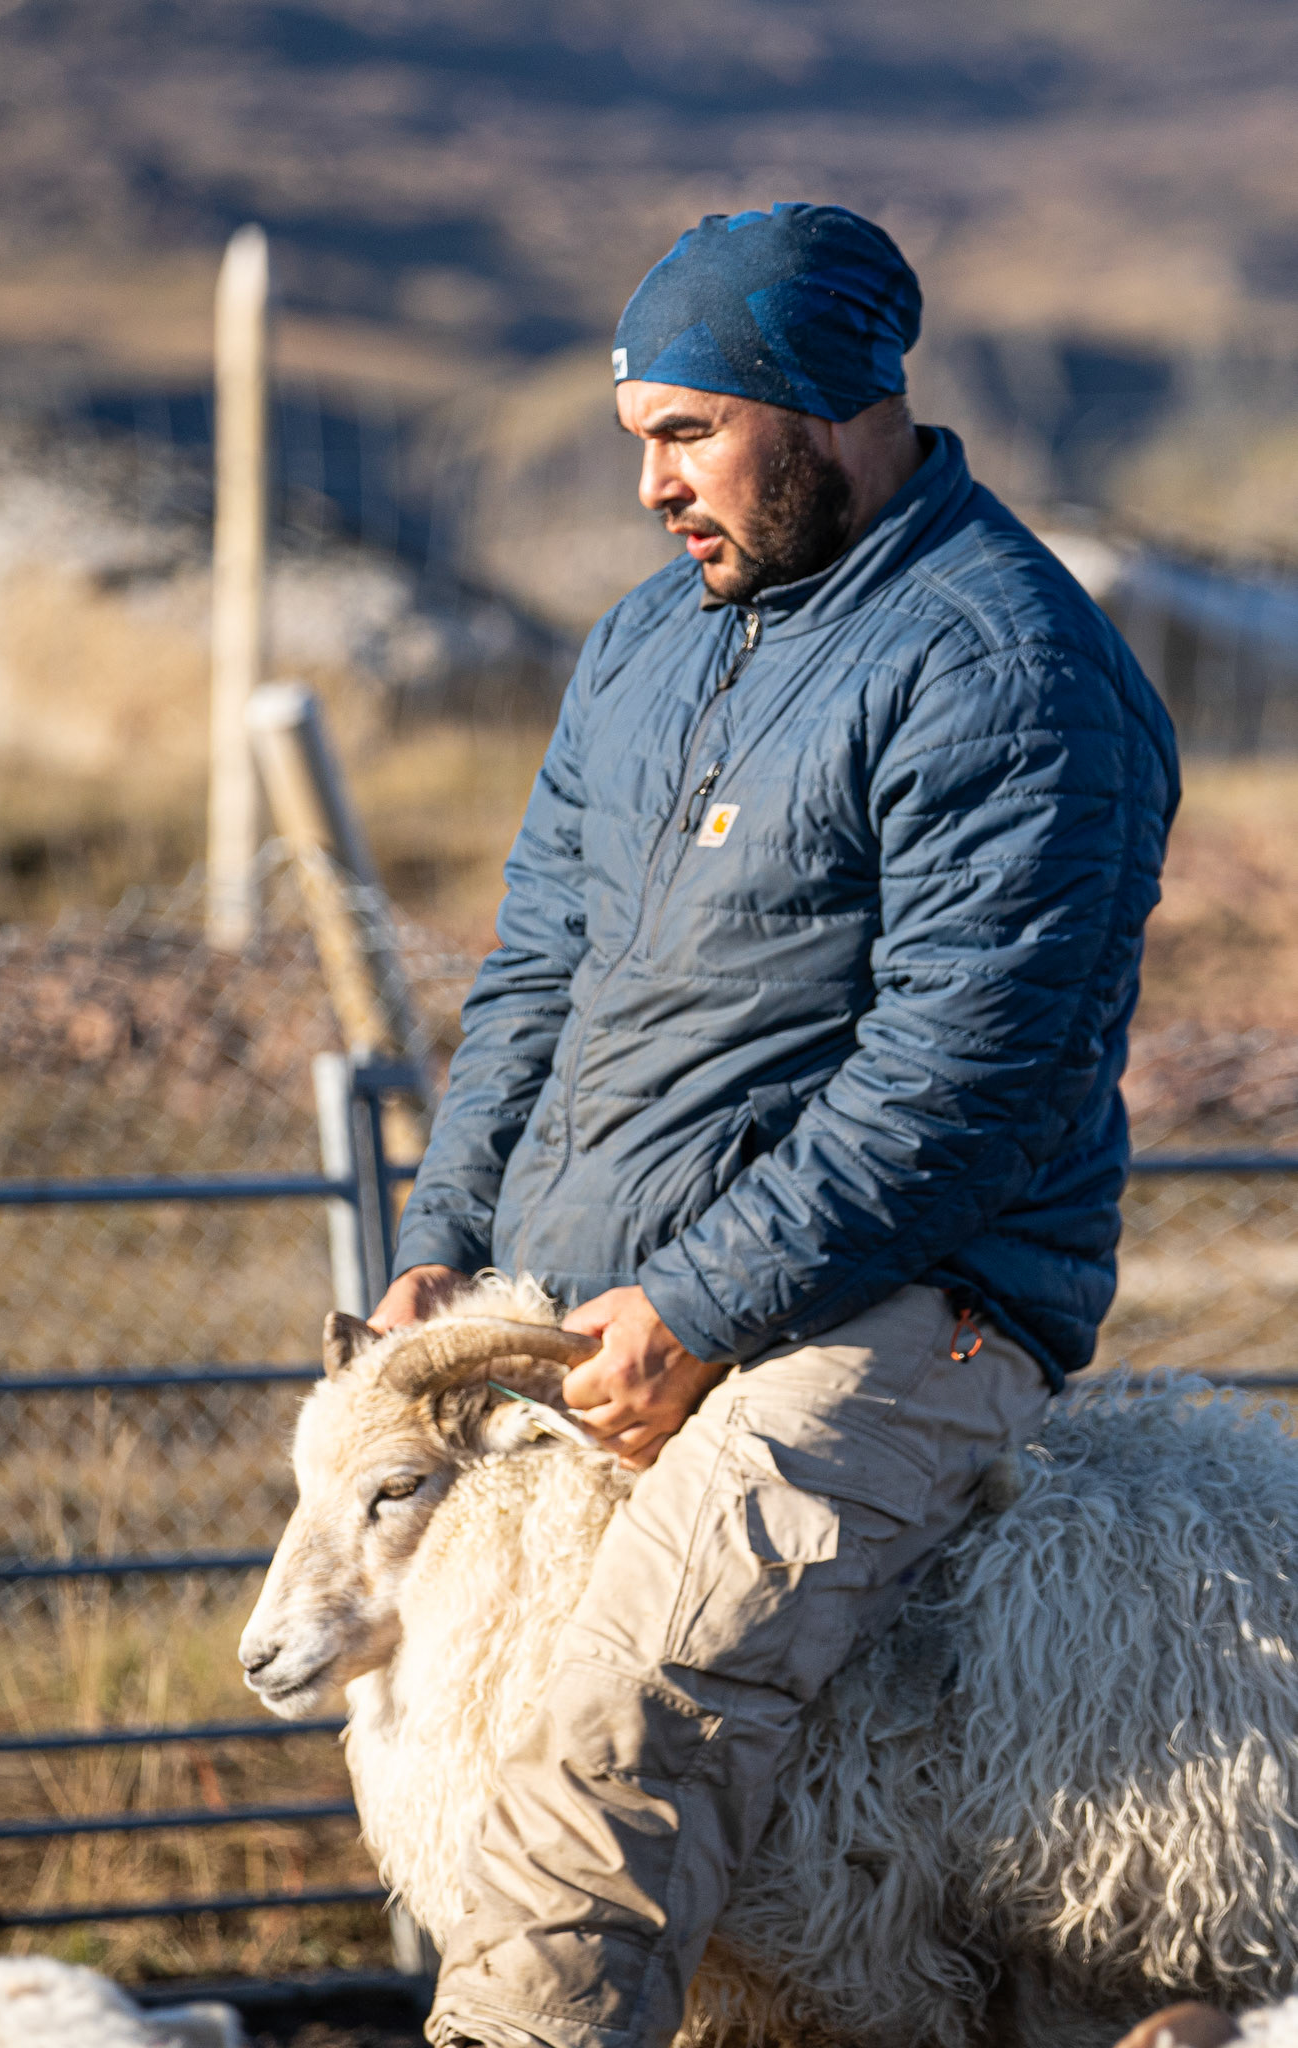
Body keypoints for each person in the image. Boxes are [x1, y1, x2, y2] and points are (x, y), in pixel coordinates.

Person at [370, 202, 1180, 2048]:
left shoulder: (1005, 668)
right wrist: (444, 1245)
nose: (650, 484)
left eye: (689, 432)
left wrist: (699, 1307)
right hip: (603, 1284)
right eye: (636, 436)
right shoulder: (645, 645)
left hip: (899, 1304)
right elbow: (536, 975)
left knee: (623, 1717)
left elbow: (967, 1075)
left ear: (828, 404)